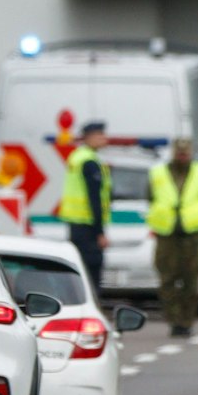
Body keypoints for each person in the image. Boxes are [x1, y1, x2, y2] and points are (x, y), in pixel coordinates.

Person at [147, 136, 198, 337]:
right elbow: (151, 197)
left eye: (186, 151)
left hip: (191, 234)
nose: (182, 155)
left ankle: (187, 321)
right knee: (167, 279)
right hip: (167, 233)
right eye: (179, 151)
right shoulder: (159, 173)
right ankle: (174, 320)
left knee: (191, 280)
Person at [60, 121, 111, 295]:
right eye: (100, 135)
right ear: (89, 137)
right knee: (92, 270)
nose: (104, 138)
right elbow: (94, 198)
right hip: (88, 226)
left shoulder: (77, 156)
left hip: (76, 224)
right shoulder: (89, 161)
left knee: (79, 269)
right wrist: (100, 232)